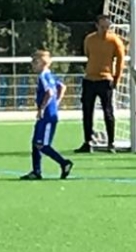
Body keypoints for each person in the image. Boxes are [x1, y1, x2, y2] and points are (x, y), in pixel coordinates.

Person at [20, 50, 74, 180]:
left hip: (47, 116)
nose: (32, 65)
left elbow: (49, 92)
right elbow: (62, 87)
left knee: (42, 145)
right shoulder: (50, 75)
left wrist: (42, 108)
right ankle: (36, 171)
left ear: (42, 63)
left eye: (35, 62)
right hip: (47, 114)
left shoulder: (43, 76)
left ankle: (64, 163)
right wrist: (57, 102)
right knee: (35, 143)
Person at [77, 14, 125, 153]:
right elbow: (88, 55)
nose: (105, 29)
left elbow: (120, 62)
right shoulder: (89, 39)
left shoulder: (115, 41)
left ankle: (111, 143)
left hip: (105, 80)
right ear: (97, 25)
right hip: (89, 80)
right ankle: (88, 142)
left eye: (107, 27)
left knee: (108, 112)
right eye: (102, 26)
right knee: (87, 111)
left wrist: (116, 78)